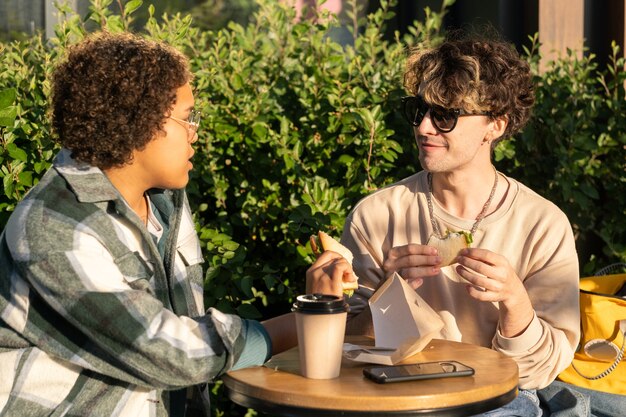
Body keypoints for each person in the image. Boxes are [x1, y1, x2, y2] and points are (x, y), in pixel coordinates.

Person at [0, 32, 351, 416]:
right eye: (187, 118)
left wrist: (319, 306)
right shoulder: (54, 227)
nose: (195, 132)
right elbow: (169, 353)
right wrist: (308, 317)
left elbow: (185, 327)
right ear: (139, 122)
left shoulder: (163, 201)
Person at [308, 35, 581, 416]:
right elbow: (347, 348)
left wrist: (515, 302)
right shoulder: (378, 214)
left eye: (445, 116)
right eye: (419, 110)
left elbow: (540, 372)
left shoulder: (542, 224)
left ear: (495, 126)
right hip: (396, 394)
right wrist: (387, 298)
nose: (423, 128)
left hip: (500, 399)